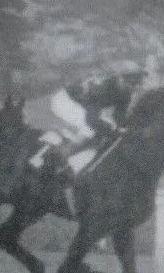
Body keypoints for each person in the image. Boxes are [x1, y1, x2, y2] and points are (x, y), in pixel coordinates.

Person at [47, 60, 148, 214]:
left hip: (82, 104)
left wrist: (123, 129)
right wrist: (113, 130)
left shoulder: (125, 92)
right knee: (88, 129)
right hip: (63, 100)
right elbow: (91, 119)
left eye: (136, 83)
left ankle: (81, 159)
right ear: (120, 78)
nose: (134, 87)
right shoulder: (101, 88)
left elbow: (119, 118)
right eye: (131, 82)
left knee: (104, 129)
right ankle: (59, 160)